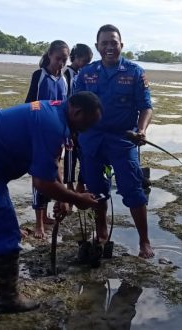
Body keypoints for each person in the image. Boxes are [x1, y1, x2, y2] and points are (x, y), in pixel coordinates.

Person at [0, 92, 102, 313]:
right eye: (87, 124)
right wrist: (78, 199)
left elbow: (52, 160)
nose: (86, 130)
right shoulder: (52, 124)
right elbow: (42, 183)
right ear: (77, 112)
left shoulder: (56, 112)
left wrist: (63, 196)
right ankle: (6, 299)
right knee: (4, 229)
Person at [74, 24, 154, 258]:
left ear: (121, 45)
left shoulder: (135, 72)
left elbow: (146, 107)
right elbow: (74, 107)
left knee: (133, 190)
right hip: (91, 140)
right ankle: (101, 232)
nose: (109, 47)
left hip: (123, 139)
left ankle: (144, 241)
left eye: (114, 43)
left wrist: (141, 130)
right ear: (97, 46)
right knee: (97, 190)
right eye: (104, 43)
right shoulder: (85, 73)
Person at [24, 40, 70, 239]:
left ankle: (47, 213)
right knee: (39, 175)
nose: (60, 63)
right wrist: (39, 116)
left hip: (58, 133)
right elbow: (30, 103)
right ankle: (38, 222)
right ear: (49, 55)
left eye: (64, 59)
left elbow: (68, 106)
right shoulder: (39, 75)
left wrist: (67, 133)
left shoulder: (66, 77)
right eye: (58, 58)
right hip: (39, 133)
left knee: (54, 172)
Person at [62, 44, 94, 201]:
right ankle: (69, 185)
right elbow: (66, 95)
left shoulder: (84, 74)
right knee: (70, 153)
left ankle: (82, 182)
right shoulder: (67, 73)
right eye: (85, 61)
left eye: (89, 61)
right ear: (76, 58)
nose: (87, 64)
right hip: (70, 117)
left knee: (84, 152)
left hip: (81, 119)